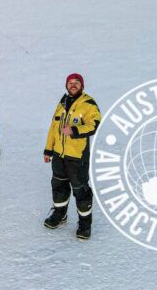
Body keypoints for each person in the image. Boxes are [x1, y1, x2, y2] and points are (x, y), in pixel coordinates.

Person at [42, 73, 101, 239]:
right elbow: (53, 128)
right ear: (66, 85)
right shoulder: (62, 103)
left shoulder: (88, 104)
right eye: (70, 83)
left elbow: (94, 125)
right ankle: (60, 215)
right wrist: (48, 150)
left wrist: (74, 130)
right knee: (59, 187)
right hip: (58, 155)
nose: (73, 85)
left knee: (80, 190)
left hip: (77, 157)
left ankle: (85, 224)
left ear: (82, 86)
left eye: (76, 83)